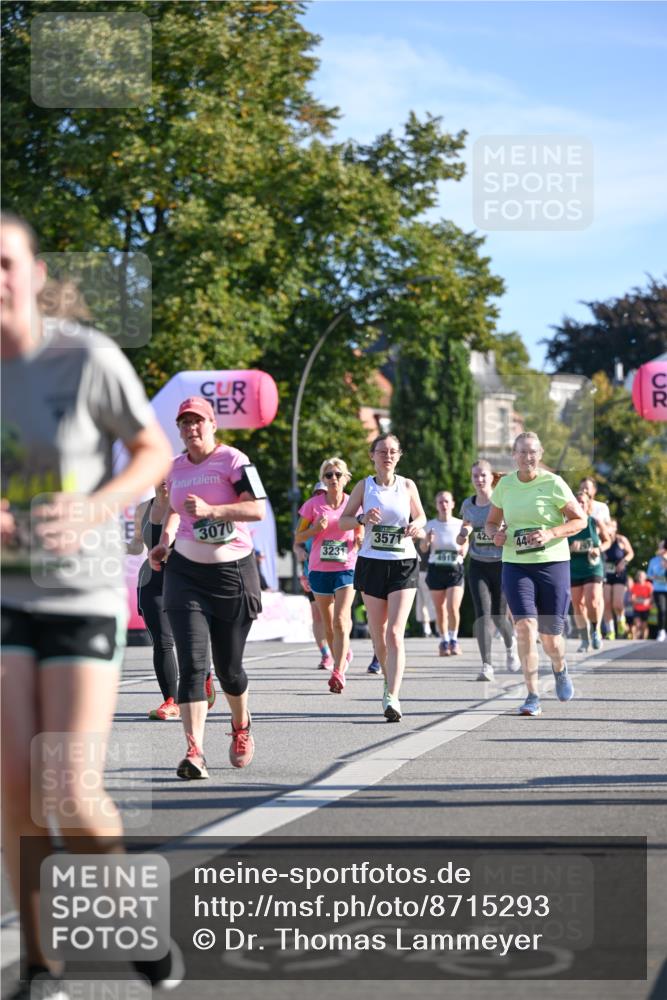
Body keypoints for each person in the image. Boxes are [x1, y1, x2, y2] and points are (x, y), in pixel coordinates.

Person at [0, 213, 175, 997]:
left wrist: (97, 507)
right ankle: (43, 967)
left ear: (35, 273)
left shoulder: (85, 357)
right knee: (14, 786)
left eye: (5, 262)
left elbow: (152, 450)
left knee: (67, 788)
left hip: (80, 587)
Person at [148, 396, 265, 779]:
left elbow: (257, 509)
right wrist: (164, 543)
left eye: (198, 422)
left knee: (229, 670)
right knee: (194, 665)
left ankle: (241, 724)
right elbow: (173, 512)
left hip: (232, 573)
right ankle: (194, 751)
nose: (191, 428)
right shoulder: (175, 468)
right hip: (186, 574)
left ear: (213, 424)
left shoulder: (234, 460)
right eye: (184, 423)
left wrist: (215, 511)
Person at [485, 432, 586, 717]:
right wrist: (496, 536)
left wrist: (552, 532)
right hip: (516, 564)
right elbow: (491, 523)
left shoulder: (553, 483)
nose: (528, 457)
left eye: (533, 452)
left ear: (540, 455)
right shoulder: (505, 485)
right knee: (525, 628)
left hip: (553, 564)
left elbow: (580, 520)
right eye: (522, 452)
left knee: (550, 637)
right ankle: (532, 695)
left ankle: (559, 667)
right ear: (514, 456)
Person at [339, 433, 426, 722]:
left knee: (395, 634)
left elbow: (422, 518)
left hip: (403, 562)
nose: (387, 456)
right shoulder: (364, 487)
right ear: (372, 456)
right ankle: (387, 679)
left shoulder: (408, 485)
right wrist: (362, 519)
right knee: (379, 635)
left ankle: (393, 696)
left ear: (399, 456)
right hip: (372, 563)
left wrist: (416, 527)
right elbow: (344, 520)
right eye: (382, 451)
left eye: (392, 451)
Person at [128, 481, 216, 719]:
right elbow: (137, 545)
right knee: (162, 641)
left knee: (192, 638)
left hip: (184, 579)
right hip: (151, 581)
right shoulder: (142, 509)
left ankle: (204, 675)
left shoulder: (185, 507)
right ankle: (171, 700)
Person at [295, 458, 361, 693]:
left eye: (338, 474)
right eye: (329, 475)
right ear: (323, 479)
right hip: (320, 569)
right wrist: (315, 530)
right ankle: (339, 658)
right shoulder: (313, 505)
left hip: (346, 567)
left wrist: (360, 538)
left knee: (341, 620)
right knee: (329, 624)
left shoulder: (354, 503)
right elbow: (299, 537)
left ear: (346, 478)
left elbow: (359, 529)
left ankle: (339, 671)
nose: (333, 479)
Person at [458, 459, 519, 681]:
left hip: (501, 564)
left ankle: (511, 647)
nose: (479, 480)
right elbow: (465, 524)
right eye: (475, 476)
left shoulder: (502, 500)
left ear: (491, 477)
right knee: (482, 614)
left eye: (483, 475)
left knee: (499, 615)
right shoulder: (468, 504)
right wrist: (463, 534)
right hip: (478, 564)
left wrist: (504, 530)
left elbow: (515, 524)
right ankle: (487, 666)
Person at [420, 491, 468, 657]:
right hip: (436, 568)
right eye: (440, 502)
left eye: (447, 501)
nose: (444, 505)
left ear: (453, 504)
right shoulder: (430, 525)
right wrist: (428, 540)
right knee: (440, 609)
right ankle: (444, 640)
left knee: (453, 607)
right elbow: (424, 549)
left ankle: (454, 640)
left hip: (455, 569)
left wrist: (464, 550)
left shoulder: (460, 524)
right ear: (436, 505)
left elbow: (466, 543)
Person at [569, 488, 610, 652]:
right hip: (574, 568)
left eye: (583, 502)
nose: (580, 504)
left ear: (588, 505)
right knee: (578, 604)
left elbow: (607, 541)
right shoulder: (568, 523)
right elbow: (557, 546)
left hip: (593, 566)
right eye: (577, 502)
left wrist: (599, 550)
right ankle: (584, 639)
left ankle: (595, 630)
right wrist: (570, 548)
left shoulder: (594, 522)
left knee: (592, 599)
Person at [602, 519, 634, 639]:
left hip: (619, 574)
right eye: (607, 525)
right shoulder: (602, 540)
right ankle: (610, 630)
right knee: (607, 603)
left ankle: (621, 619)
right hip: (606, 574)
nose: (608, 528)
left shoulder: (621, 540)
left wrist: (623, 562)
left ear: (615, 528)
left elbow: (630, 553)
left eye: (611, 526)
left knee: (617, 604)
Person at [647, 540, 667, 642]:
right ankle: (661, 631)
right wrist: (653, 577)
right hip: (658, 589)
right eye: (660, 547)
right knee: (662, 610)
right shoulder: (653, 560)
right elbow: (649, 574)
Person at [629, 570, 653, 640]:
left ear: (645, 577)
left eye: (642, 576)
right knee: (637, 624)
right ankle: (636, 637)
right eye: (639, 576)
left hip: (646, 608)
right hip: (637, 608)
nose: (640, 577)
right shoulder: (634, 586)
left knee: (644, 625)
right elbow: (632, 598)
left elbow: (651, 597)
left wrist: (647, 601)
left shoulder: (648, 585)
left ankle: (644, 638)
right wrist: (641, 601)